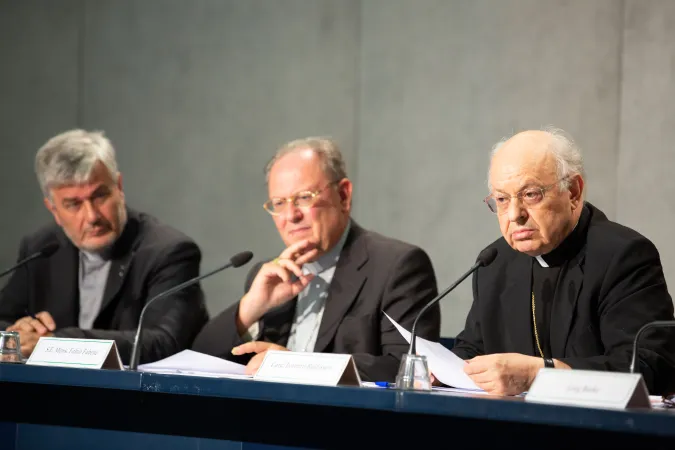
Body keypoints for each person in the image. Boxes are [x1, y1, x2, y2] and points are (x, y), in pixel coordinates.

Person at [192, 137, 440, 381]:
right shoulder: (267, 277)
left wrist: (295, 365)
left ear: (343, 195)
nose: (291, 215)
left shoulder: (396, 266)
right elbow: (198, 361)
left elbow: (410, 369)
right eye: (279, 203)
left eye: (304, 197)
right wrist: (250, 308)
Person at [450, 126, 675, 396]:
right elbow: (473, 349)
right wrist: (442, 371)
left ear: (573, 192)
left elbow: (649, 367)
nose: (514, 214)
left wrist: (539, 375)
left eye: (530, 194)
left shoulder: (623, 256)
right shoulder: (495, 262)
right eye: (501, 199)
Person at [0, 129, 209, 364]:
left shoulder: (168, 251)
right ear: (53, 210)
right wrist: (19, 331)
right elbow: (4, 320)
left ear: (118, 187)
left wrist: (55, 343)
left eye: (100, 196)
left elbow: (165, 342)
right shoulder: (41, 248)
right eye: (73, 204)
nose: (91, 216)